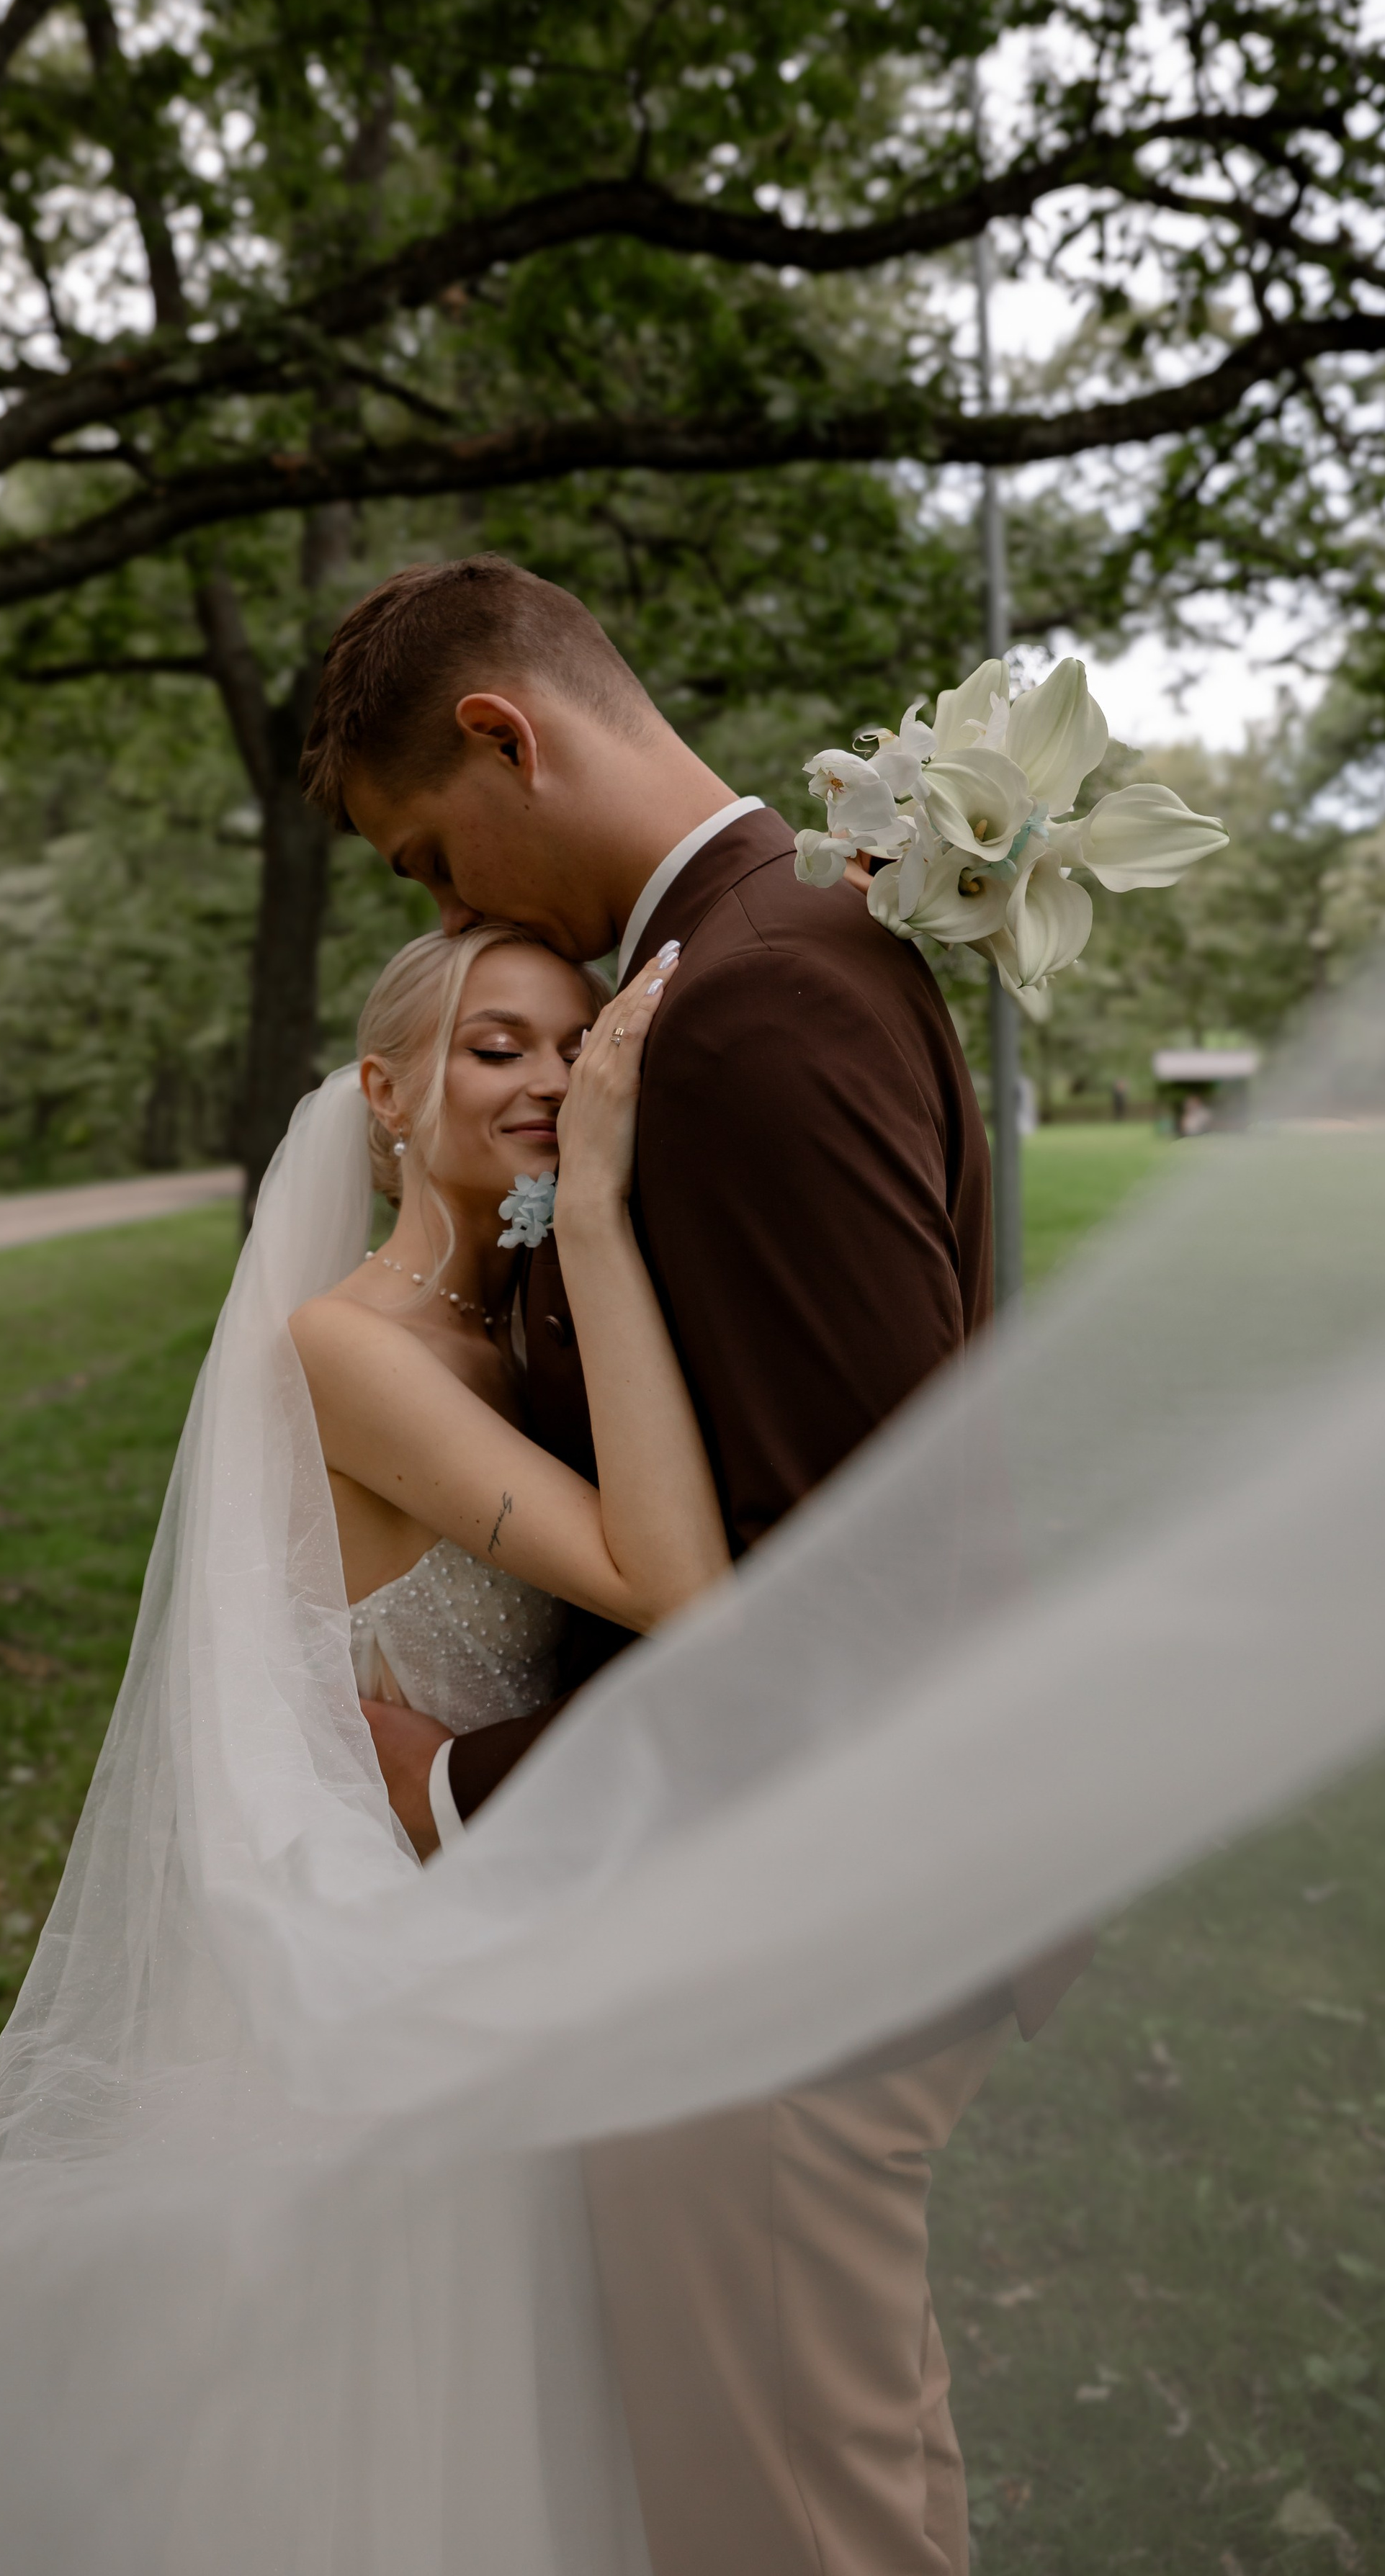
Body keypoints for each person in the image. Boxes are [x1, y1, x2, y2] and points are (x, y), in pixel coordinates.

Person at [300, 551, 1089, 2576]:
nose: (448, 911)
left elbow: (855, 1591)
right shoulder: (770, 952)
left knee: (781, 2531)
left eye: (424, 852)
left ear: (503, 734)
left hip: (780, 1927)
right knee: (859, 2481)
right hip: (831, 1891)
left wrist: (471, 1789)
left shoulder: (743, 1006)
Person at [292, 921, 732, 1760]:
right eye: (498, 1051)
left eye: (581, 1054)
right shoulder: (344, 1346)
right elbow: (682, 1596)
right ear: (387, 1093)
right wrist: (590, 1209)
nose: (558, 1086)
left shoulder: (541, 1327)